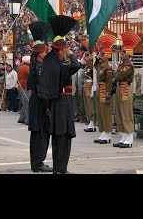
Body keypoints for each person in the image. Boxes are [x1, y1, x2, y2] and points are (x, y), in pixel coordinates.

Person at [39, 15, 80, 174]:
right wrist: (71, 54)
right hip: (63, 104)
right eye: (64, 50)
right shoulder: (61, 66)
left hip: (56, 104)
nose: (65, 53)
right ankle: (61, 169)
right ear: (60, 51)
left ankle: (59, 168)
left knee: (58, 139)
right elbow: (76, 66)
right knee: (63, 138)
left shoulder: (50, 63)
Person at [27, 21, 53, 173]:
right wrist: (47, 107)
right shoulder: (40, 68)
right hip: (40, 105)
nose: (46, 54)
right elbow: (42, 90)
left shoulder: (34, 66)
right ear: (40, 55)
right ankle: (38, 163)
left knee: (38, 134)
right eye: (44, 52)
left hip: (36, 103)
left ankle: (37, 162)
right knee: (41, 135)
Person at [113, 32, 140, 148]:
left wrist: (117, 73)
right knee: (119, 113)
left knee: (126, 113)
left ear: (128, 55)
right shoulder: (122, 65)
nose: (122, 55)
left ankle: (129, 138)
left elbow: (119, 76)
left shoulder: (129, 66)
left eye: (123, 53)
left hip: (125, 88)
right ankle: (123, 136)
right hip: (119, 88)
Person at [17, 55, 31, 125]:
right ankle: (28, 119)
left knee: (24, 102)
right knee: (27, 103)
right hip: (25, 86)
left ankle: (21, 118)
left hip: (20, 86)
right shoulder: (27, 68)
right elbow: (31, 76)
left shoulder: (20, 67)